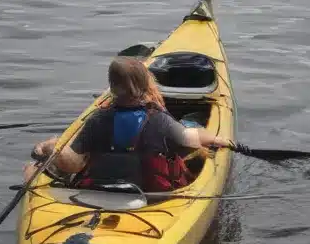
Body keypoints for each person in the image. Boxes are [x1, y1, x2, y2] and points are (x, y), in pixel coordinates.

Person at [25, 56, 232, 191]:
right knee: (190, 133)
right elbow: (191, 139)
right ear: (145, 85)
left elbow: (73, 164)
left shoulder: (97, 119)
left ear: (111, 86)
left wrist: (51, 147)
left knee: (31, 169)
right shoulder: (160, 120)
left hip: (99, 193)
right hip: (150, 197)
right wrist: (216, 138)